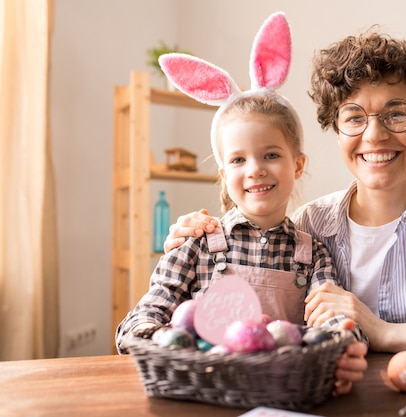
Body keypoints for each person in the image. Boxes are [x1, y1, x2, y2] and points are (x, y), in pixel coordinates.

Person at [164, 28, 406, 364]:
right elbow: (252, 320)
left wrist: (384, 333)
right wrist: (191, 247)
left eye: (397, 113)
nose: (374, 135)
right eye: (354, 117)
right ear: (336, 131)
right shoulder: (308, 225)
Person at [116, 12, 367, 396]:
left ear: (297, 165)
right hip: (200, 394)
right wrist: (162, 344)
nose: (254, 171)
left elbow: (331, 320)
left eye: (270, 155)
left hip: (282, 395)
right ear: (223, 173)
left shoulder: (312, 253)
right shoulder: (197, 244)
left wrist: (345, 346)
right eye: (237, 160)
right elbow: (142, 318)